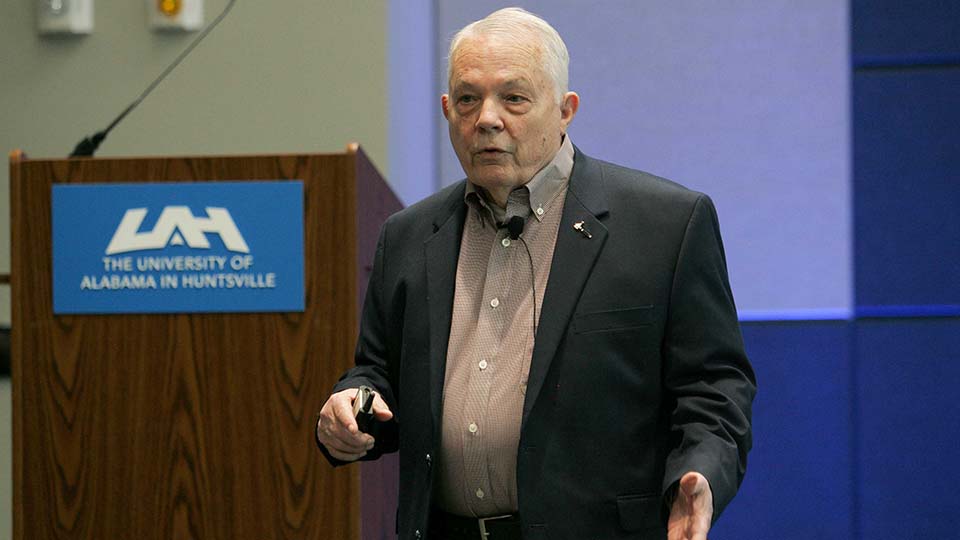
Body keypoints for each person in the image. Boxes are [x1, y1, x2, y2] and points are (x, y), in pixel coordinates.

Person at [316, 7, 755, 540]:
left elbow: (713, 387)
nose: (487, 119)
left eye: (514, 98)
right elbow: (378, 372)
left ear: (566, 110)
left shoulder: (665, 224)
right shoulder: (409, 237)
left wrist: (702, 474)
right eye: (468, 99)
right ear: (447, 109)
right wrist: (351, 408)